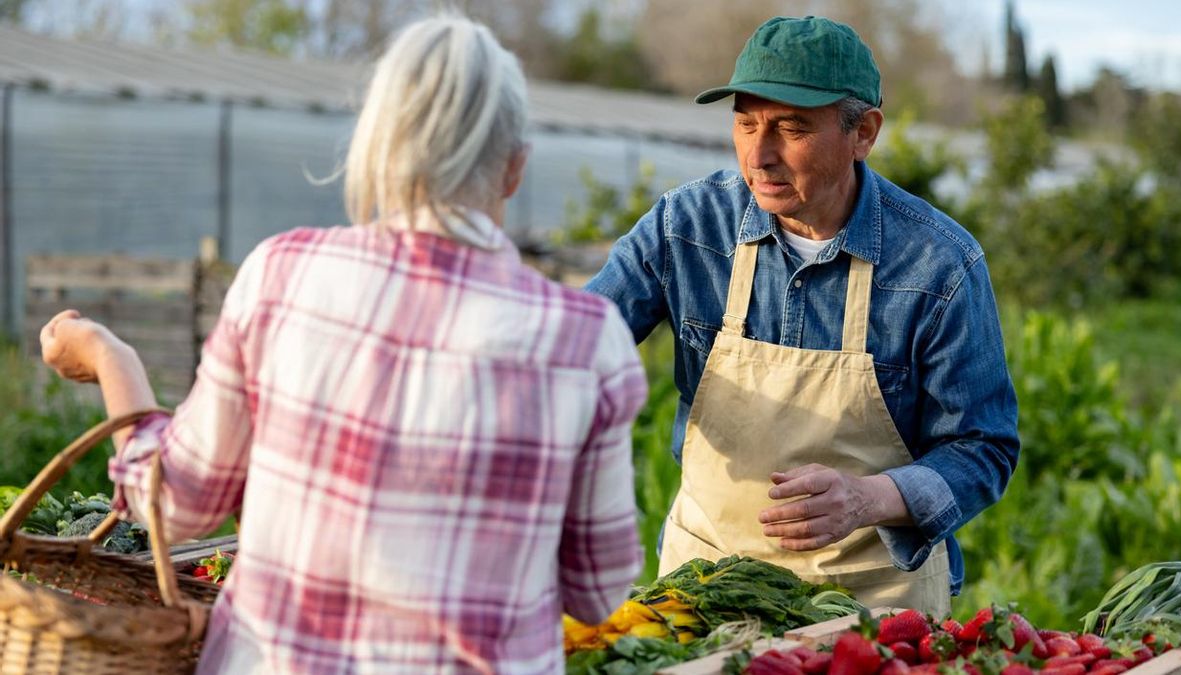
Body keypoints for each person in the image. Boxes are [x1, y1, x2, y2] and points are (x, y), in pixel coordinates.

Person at [39, 14, 646, 674]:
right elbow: (598, 591)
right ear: (515, 169)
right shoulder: (588, 340)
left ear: (378, 147)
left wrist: (112, 360)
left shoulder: (280, 276)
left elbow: (173, 506)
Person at [585, 15, 1019, 617]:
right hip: (704, 584)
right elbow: (577, 346)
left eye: (790, 128)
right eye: (745, 123)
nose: (758, 156)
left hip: (872, 605)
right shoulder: (685, 227)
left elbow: (982, 446)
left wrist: (867, 498)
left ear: (863, 133)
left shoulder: (938, 264)